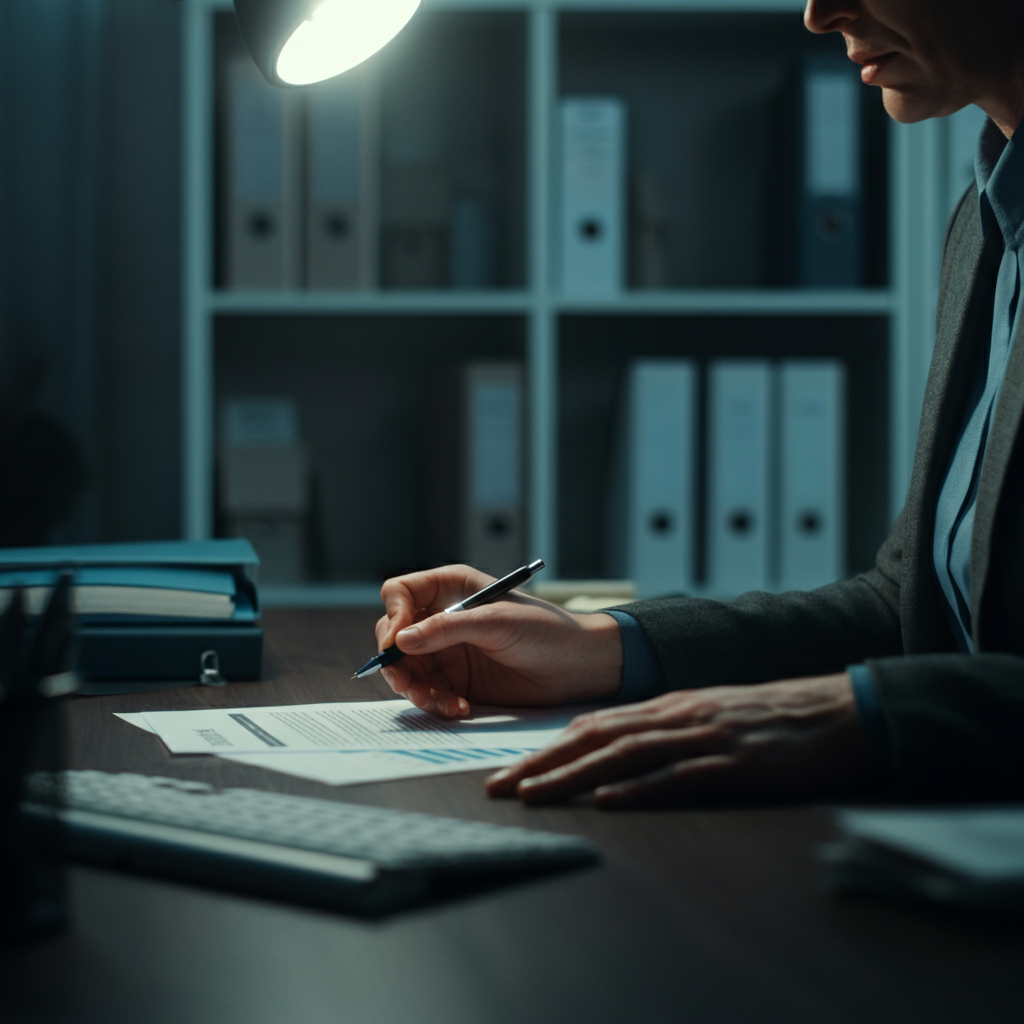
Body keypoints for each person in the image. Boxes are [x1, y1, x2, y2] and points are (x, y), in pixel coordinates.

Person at [374, 0, 1024, 808]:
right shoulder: (989, 219)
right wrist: (594, 649)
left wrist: (873, 715)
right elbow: (909, 612)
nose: (819, 15)